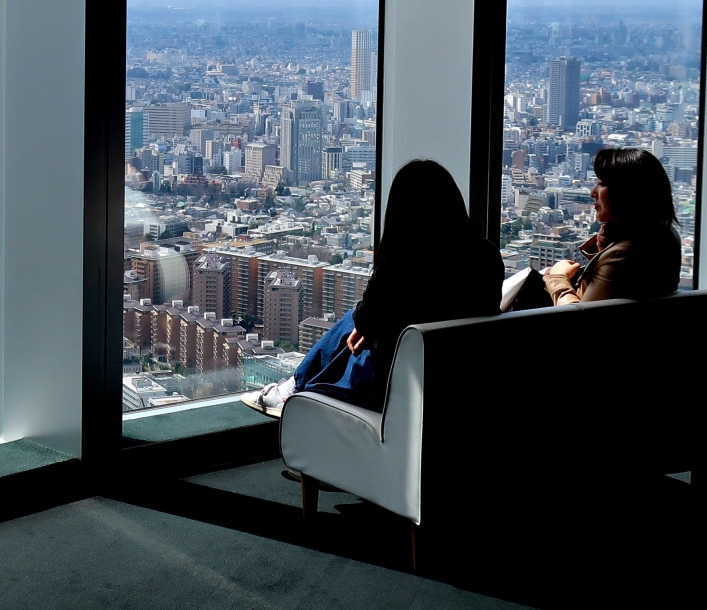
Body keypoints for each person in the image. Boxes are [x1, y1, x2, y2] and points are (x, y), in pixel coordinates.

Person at [247, 158, 503, 415]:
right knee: (355, 326)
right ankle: (292, 388)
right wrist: (369, 326)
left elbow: (366, 317)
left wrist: (368, 327)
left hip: (398, 384)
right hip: (464, 380)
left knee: (351, 322)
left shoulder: (401, 264)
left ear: (400, 212)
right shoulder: (487, 256)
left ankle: (291, 389)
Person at [540, 147, 682, 305]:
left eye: (601, 184)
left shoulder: (625, 255)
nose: (593, 192)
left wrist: (557, 278)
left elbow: (579, 321)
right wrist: (604, 250)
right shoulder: (665, 234)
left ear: (626, 192)